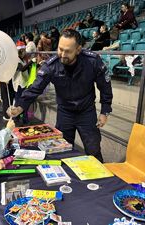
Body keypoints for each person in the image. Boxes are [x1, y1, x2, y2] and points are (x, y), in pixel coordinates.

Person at [8, 29, 113, 162]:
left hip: (86, 112)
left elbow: (105, 86)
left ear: (78, 49)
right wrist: (19, 107)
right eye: (60, 49)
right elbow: (35, 88)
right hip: (65, 112)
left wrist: (105, 111)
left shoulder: (92, 61)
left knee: (93, 149)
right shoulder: (52, 65)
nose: (62, 54)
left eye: (68, 51)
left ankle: (101, 180)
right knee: (62, 150)